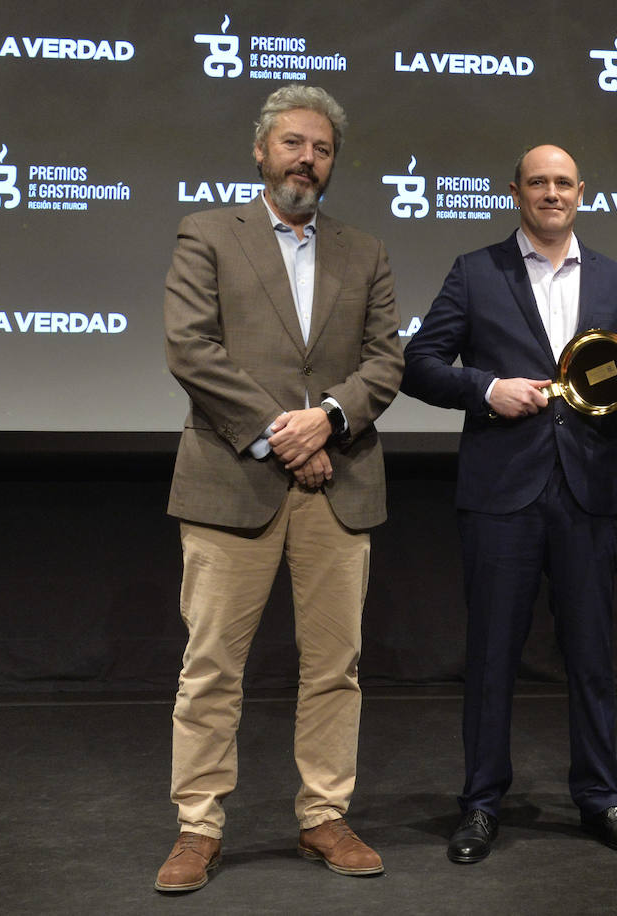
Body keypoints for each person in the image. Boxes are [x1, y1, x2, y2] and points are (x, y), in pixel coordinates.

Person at [154, 84, 404, 892]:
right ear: (261, 151)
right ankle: (198, 828)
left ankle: (323, 816)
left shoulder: (364, 250)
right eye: (293, 143)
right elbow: (191, 349)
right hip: (234, 480)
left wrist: (327, 419)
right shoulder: (206, 234)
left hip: (340, 483)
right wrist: (281, 436)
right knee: (211, 668)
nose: (307, 158)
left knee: (335, 666)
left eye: (322, 148)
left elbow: (386, 360)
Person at [400, 144, 617, 864]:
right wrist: (484, 388)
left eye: (563, 183)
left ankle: (602, 798)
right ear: (514, 191)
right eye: (538, 182)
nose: (551, 193)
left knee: (592, 657)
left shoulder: (615, 277)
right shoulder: (475, 271)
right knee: (490, 657)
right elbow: (418, 364)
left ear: (582, 191)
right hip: (501, 493)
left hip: (588, 489)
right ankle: (481, 805)